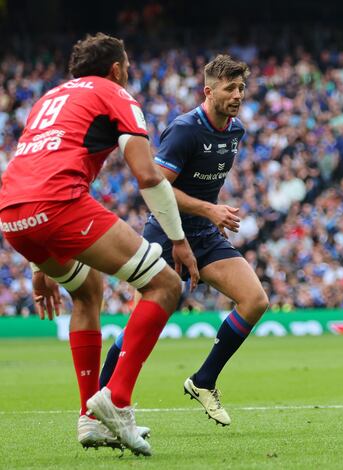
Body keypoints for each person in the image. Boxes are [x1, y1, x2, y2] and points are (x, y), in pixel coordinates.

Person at [0, 33, 200, 456]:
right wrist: (179, 241)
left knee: (88, 292)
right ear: (116, 68)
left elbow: (32, 164)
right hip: (59, 204)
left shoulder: (48, 99)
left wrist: (40, 265)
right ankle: (117, 399)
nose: (127, 73)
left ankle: (89, 419)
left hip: (14, 215)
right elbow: (148, 176)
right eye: (126, 66)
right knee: (164, 285)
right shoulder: (114, 92)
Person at [97, 55, 270, 427]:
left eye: (241, 87)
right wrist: (209, 210)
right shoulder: (184, 129)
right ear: (208, 91)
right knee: (145, 324)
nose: (238, 94)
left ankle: (203, 380)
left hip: (205, 234)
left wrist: (211, 216)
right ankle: (102, 400)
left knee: (255, 300)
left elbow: (206, 182)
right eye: (230, 88)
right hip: (166, 233)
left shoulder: (235, 131)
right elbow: (157, 187)